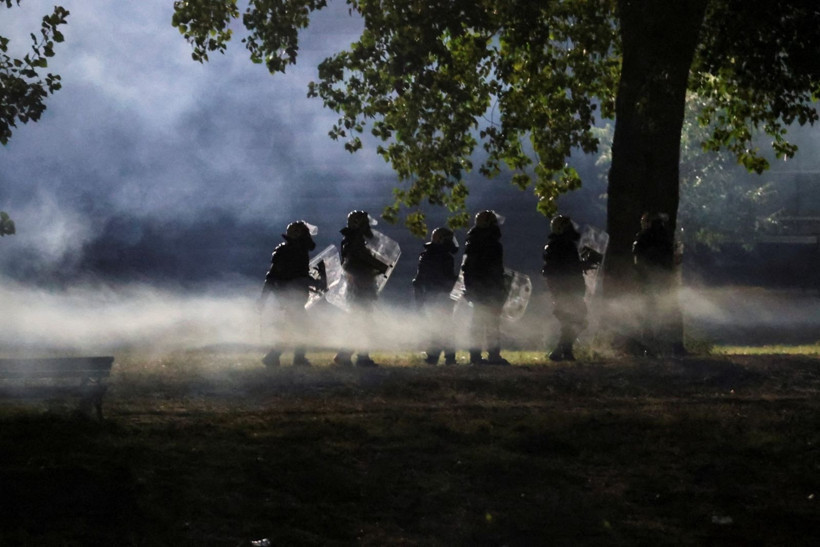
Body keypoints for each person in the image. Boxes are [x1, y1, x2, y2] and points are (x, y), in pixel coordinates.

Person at [260, 220, 322, 367]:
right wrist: (263, 299)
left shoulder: (300, 251)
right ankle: (278, 356)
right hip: (289, 296)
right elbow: (273, 276)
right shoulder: (285, 251)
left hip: (296, 295)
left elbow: (300, 274)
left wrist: (314, 282)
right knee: (298, 327)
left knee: (296, 327)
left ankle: (279, 357)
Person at [334, 210, 390, 367]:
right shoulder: (354, 239)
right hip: (360, 285)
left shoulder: (351, 239)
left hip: (360, 284)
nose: (367, 226)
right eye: (364, 223)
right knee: (362, 321)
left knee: (361, 321)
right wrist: (380, 265)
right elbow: (362, 257)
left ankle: (353, 355)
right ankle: (355, 356)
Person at [632, 212, 684, 356]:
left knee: (649, 314)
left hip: (648, 282)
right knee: (672, 313)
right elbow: (675, 259)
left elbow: (637, 260)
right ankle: (676, 347)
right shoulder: (667, 238)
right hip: (665, 281)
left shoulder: (642, 238)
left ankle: (649, 348)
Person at [462, 210, 509, 365]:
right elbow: (480, 268)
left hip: (481, 288)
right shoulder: (487, 243)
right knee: (489, 323)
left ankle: (477, 356)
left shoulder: (475, 241)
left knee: (481, 322)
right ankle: (490, 356)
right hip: (486, 288)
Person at [542, 215, 589, 361]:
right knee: (577, 320)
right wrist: (583, 265)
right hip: (567, 289)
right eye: (568, 226)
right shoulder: (563, 245)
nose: (572, 229)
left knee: (570, 321)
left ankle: (561, 352)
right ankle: (561, 352)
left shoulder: (557, 245)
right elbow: (567, 268)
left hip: (564, 289)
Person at [413, 227, 459, 365]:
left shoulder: (429, 255)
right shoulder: (439, 256)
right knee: (441, 326)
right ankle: (443, 357)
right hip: (438, 295)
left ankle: (438, 356)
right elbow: (440, 278)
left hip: (435, 295)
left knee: (441, 326)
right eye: (448, 239)